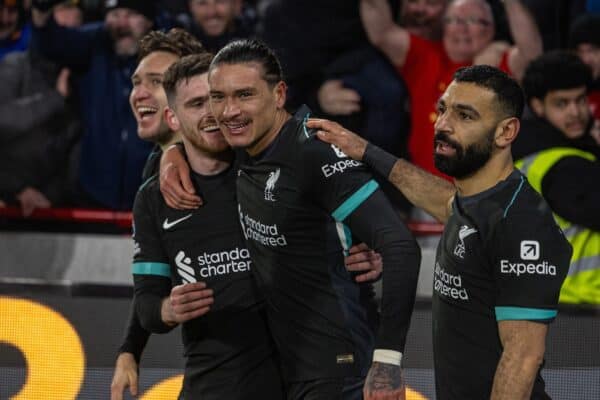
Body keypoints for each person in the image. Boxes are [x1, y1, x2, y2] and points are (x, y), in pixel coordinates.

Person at [162, 38, 421, 400]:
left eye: (245, 95)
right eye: (218, 97)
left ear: (279, 94)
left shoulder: (313, 152)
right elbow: (190, 137)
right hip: (289, 371)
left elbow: (400, 246)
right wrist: (171, 153)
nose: (228, 111)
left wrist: (388, 362)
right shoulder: (245, 147)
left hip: (339, 370)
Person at [308, 65, 571, 399]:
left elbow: (521, 358)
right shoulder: (475, 201)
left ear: (506, 132)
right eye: (443, 109)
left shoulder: (521, 224)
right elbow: (443, 200)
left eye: (465, 116)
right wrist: (364, 150)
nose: (443, 125)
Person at [110, 28, 206, 400]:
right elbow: (152, 275)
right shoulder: (153, 173)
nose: (140, 94)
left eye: (157, 81)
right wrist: (130, 349)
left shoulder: (233, 157)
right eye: (137, 82)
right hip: (208, 359)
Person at [360, 0, 542, 179]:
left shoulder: (497, 66)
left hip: (480, 195)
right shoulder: (425, 56)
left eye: (474, 20)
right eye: (453, 20)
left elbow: (532, 56)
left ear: (492, 30)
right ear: (443, 27)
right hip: (425, 189)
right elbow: (381, 32)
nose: (462, 28)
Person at [31, 0, 159, 210]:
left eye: (131, 14)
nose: (121, 24)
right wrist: (41, 11)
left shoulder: (166, 52)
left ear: (149, 21)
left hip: (154, 196)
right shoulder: (94, 42)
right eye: (115, 14)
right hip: (94, 193)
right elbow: (50, 43)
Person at [514, 51, 600, 304]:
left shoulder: (527, 155)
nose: (575, 112)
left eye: (580, 100)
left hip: (558, 301)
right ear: (538, 105)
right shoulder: (564, 165)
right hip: (582, 302)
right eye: (561, 103)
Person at [0, 1, 82, 216]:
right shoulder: (14, 65)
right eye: (58, 31)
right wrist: (14, 188)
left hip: (50, 206)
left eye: (72, 34)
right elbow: (4, 119)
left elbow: (75, 149)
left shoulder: (80, 78)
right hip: (7, 199)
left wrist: (50, 195)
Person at [186, 0, 254, 53]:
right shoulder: (182, 48)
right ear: (191, 7)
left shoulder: (258, 46)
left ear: (237, 5)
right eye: (202, 3)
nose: (211, 12)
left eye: (220, 1)